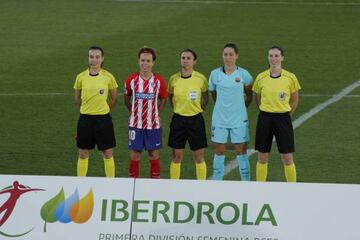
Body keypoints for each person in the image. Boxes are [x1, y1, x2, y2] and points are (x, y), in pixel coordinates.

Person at [252, 45, 301, 182]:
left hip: (283, 118)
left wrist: (286, 116)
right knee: (262, 156)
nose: (273, 59)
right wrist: (266, 109)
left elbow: (295, 99)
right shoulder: (261, 77)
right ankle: (260, 188)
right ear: (268, 57)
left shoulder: (290, 77)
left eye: (276, 56)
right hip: (265, 118)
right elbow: (258, 98)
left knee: (287, 157)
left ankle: (292, 188)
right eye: (271, 56)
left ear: (282, 58)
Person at [209, 43, 253, 181]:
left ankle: (246, 183)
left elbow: (249, 94)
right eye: (225, 54)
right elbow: (214, 94)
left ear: (236, 56)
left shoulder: (244, 74)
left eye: (231, 54)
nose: (228, 57)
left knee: (241, 151)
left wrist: (241, 106)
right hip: (220, 119)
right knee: (219, 151)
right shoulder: (215, 74)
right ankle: (218, 182)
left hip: (239, 119)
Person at [73, 46, 118, 177]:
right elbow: (77, 99)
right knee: (83, 153)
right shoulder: (81, 77)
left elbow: (114, 99)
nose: (94, 60)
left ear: (102, 59)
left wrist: (102, 110)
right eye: (91, 57)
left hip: (103, 119)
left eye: (97, 57)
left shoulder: (108, 77)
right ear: (88, 58)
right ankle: (80, 182)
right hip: (85, 119)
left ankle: (111, 183)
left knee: (108, 153)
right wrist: (88, 109)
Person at [124, 47, 167, 178]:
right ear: (138, 61)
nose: (145, 63)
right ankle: (133, 185)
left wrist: (156, 113)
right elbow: (126, 99)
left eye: (148, 61)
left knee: (153, 154)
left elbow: (163, 99)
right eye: (142, 60)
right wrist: (133, 112)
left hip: (153, 125)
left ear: (153, 63)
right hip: (135, 124)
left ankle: (154, 185)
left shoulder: (159, 81)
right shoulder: (131, 80)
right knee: (135, 154)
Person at [168, 49, 208, 180]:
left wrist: (198, 108)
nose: (185, 60)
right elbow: (170, 96)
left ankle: (201, 186)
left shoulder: (200, 78)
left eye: (188, 58)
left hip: (196, 120)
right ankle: (174, 186)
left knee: (199, 157)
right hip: (178, 120)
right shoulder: (173, 79)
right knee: (176, 156)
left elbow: (205, 97)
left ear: (194, 61)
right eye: (183, 57)